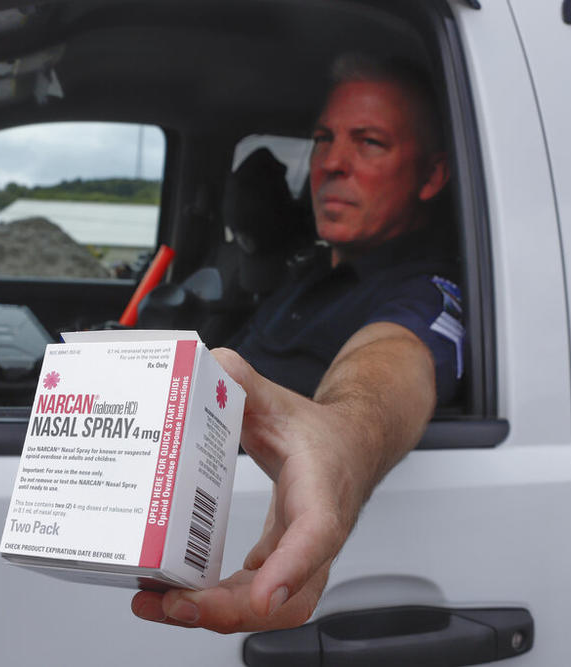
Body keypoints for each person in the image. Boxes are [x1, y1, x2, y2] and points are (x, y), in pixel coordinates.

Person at [131, 54, 462, 632]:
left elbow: (396, 359)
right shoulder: (308, 273)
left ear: (431, 176)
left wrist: (338, 438)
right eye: (323, 139)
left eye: (370, 143)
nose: (332, 163)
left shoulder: (423, 294)